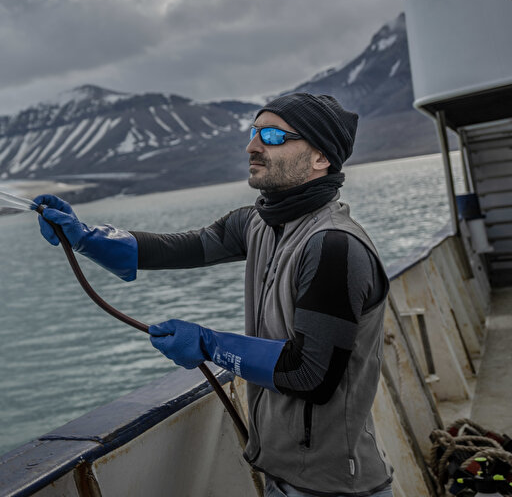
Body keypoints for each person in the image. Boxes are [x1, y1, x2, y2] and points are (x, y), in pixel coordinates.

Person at [35, 93, 393, 497]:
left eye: (273, 136)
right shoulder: (258, 223)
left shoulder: (334, 246)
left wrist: (209, 344)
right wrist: (85, 238)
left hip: (336, 489)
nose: (252, 146)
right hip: (284, 475)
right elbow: (182, 246)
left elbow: (311, 374)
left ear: (320, 158)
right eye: (254, 131)